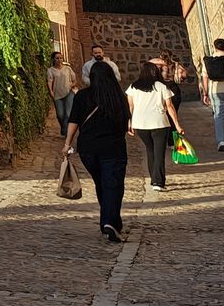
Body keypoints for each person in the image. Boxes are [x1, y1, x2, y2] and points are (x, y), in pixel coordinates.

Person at [65, 60, 134, 241]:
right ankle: (109, 221)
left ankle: (110, 221)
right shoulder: (119, 97)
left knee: (101, 182)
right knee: (113, 184)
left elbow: (74, 121)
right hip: (113, 147)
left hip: (88, 149)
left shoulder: (82, 96)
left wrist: (67, 143)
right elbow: (124, 123)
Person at [126, 61, 187, 190]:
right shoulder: (161, 86)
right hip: (159, 122)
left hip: (140, 124)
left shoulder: (133, 87)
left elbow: (130, 106)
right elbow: (170, 106)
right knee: (159, 152)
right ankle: (158, 182)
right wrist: (177, 124)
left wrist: (129, 122)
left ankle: (154, 179)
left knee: (150, 149)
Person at [47, 51, 77, 131]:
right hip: (57, 94)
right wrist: (51, 91)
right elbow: (50, 81)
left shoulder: (68, 68)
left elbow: (74, 80)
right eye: (57, 58)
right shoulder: (51, 70)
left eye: (61, 58)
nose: (59, 60)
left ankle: (66, 131)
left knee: (68, 113)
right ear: (53, 59)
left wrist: (71, 85)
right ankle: (63, 127)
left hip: (69, 93)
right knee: (60, 114)